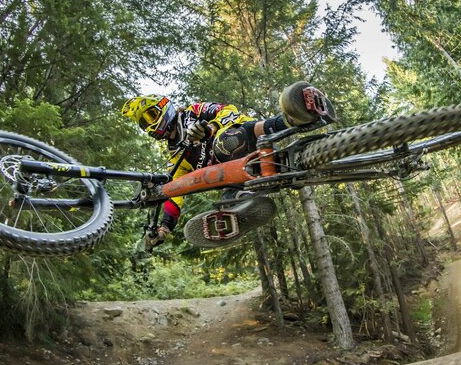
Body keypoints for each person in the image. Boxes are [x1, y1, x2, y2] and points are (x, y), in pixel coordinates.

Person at [121, 81, 332, 251]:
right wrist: (164, 228)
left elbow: (227, 111)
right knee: (228, 201)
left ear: (165, 107)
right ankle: (242, 204)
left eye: (150, 116)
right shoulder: (176, 155)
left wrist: (209, 129)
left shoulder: (193, 112)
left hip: (251, 140)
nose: (149, 125)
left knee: (225, 142)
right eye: (144, 124)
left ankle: (293, 119)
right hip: (238, 174)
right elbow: (176, 189)